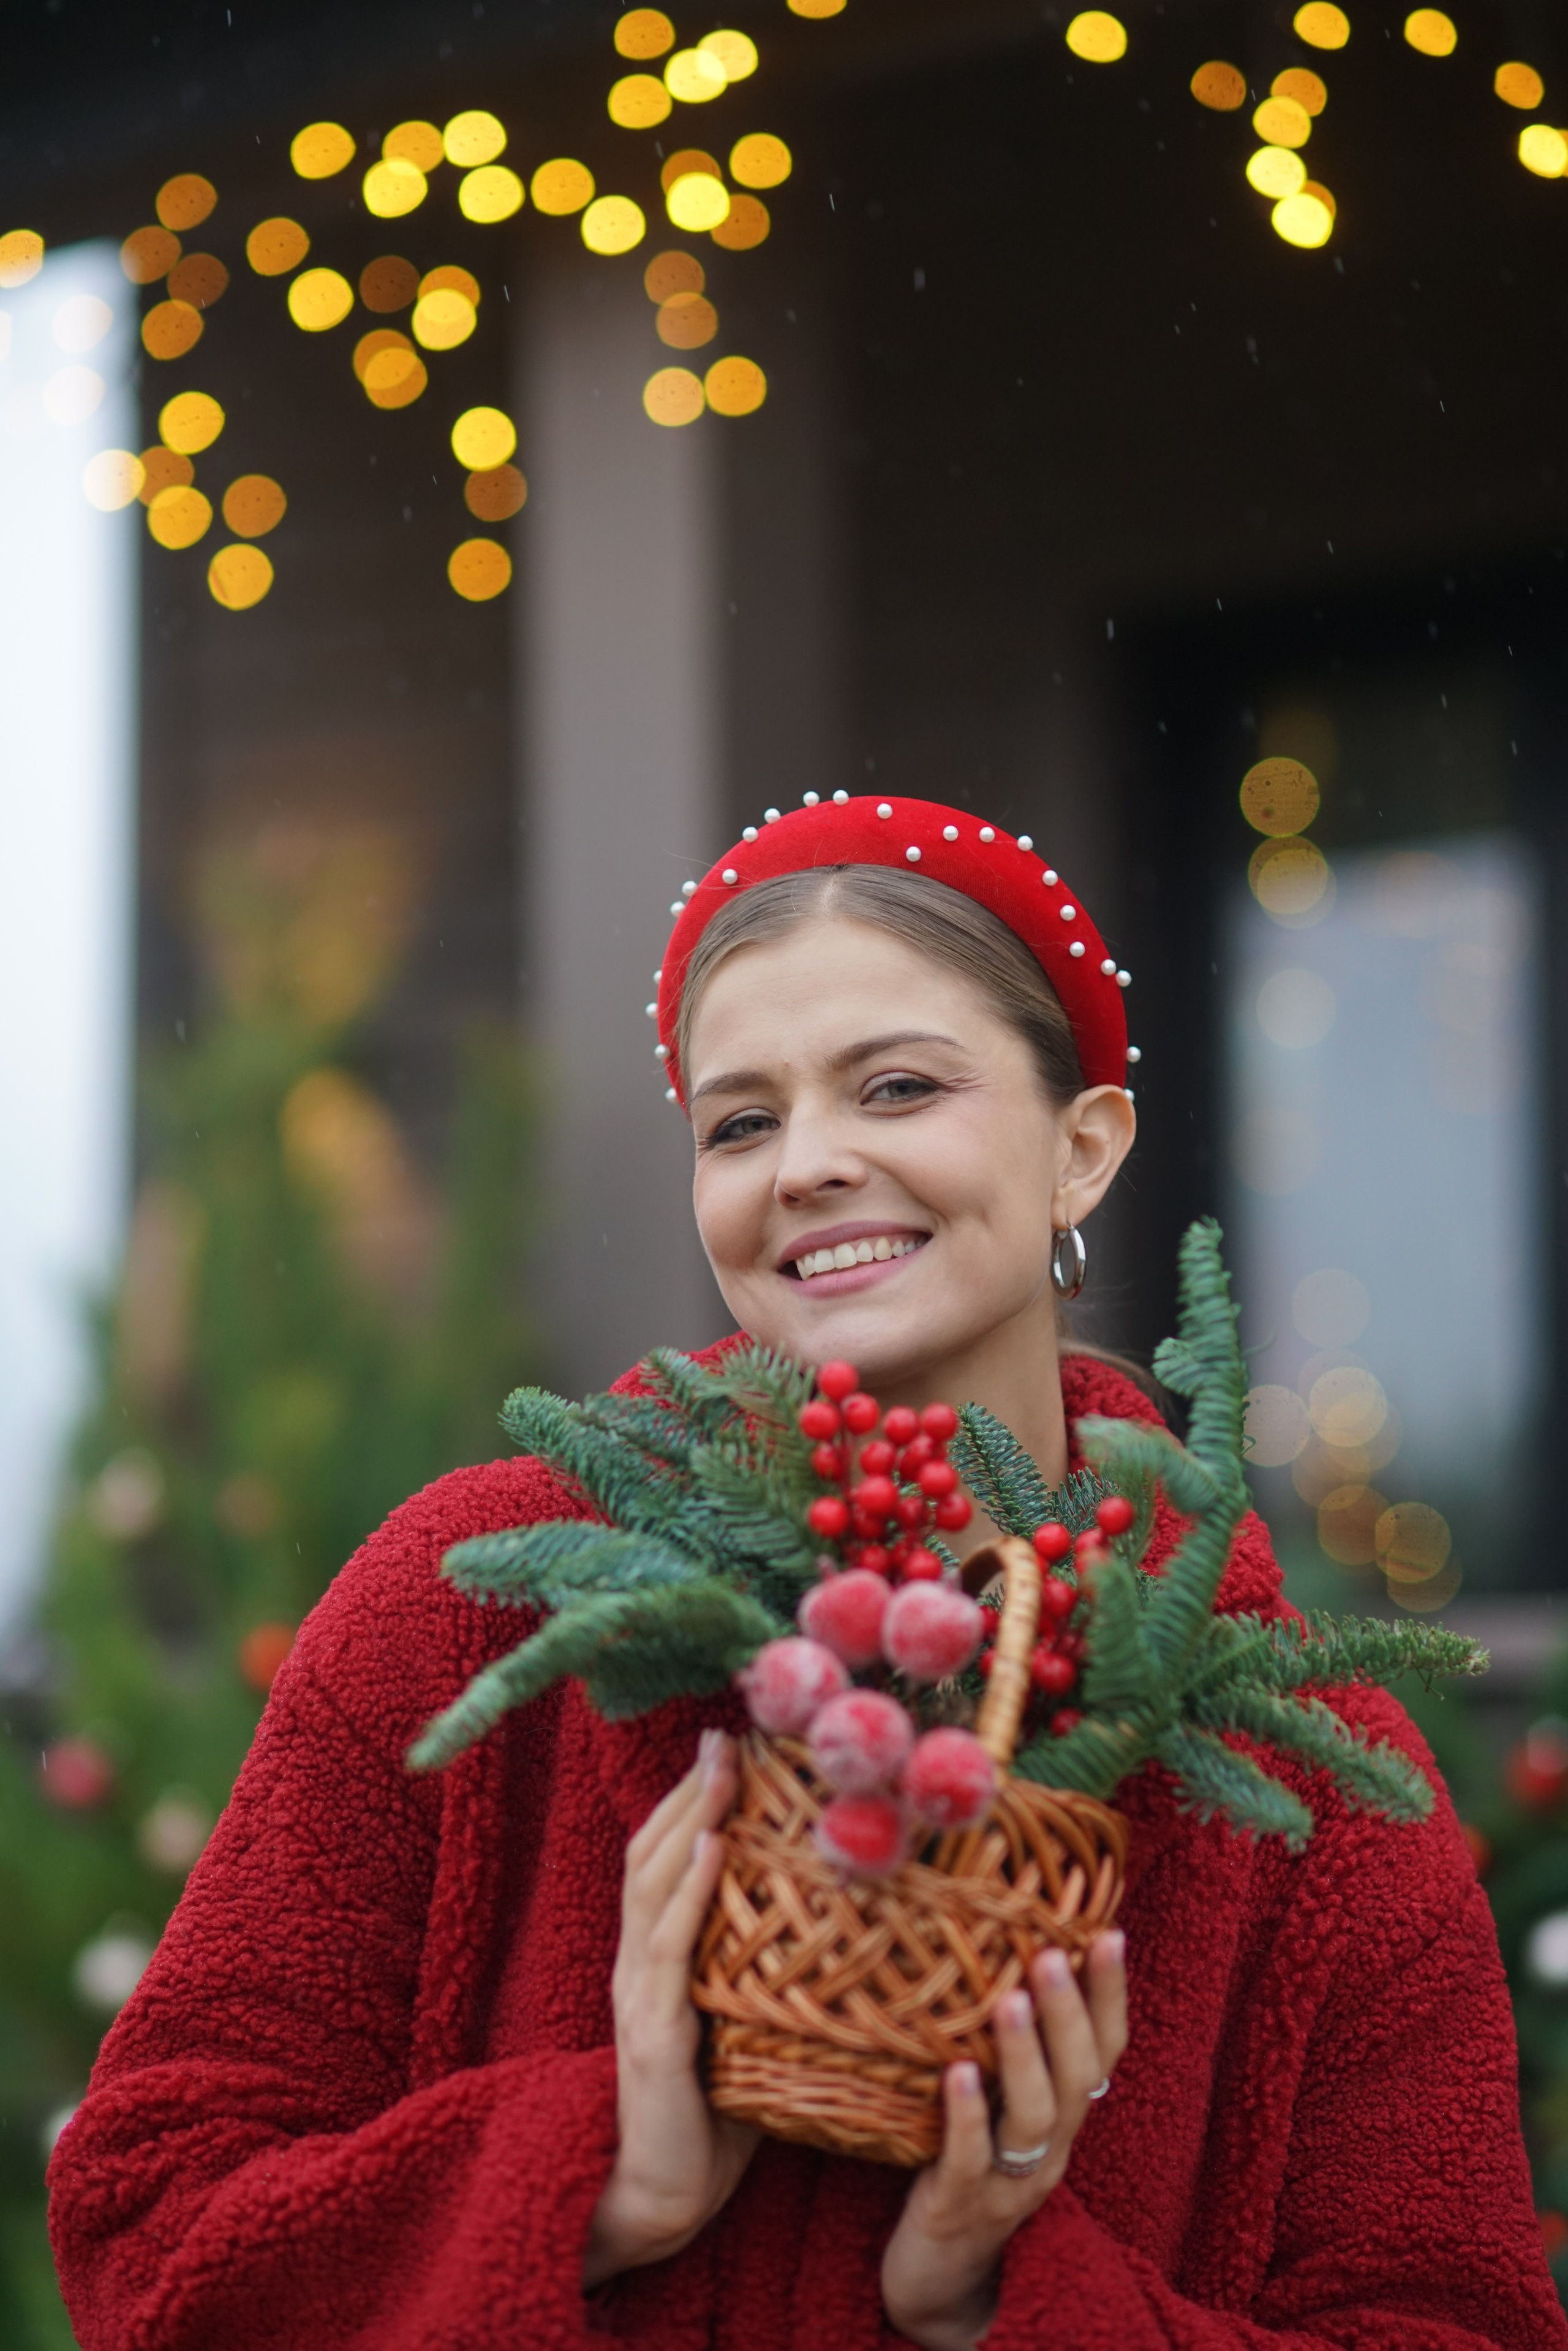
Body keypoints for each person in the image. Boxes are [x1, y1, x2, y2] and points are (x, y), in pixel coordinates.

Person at [50, 796, 1564, 2351]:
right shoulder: (472, 1602)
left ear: (1081, 1148)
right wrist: (601, 2180)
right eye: (739, 1121)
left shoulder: (1303, 1780)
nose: (810, 1165)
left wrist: (1006, 2294)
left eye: (896, 1085)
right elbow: (151, 2226)